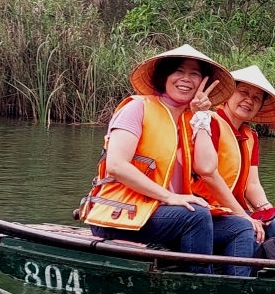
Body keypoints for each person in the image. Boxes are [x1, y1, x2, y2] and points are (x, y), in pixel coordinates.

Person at [79, 45, 255, 275]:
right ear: (165, 76)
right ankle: (199, 287)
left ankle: (235, 292)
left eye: (194, 74)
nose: (186, 80)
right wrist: (169, 197)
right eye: (179, 72)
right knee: (196, 215)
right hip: (121, 216)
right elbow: (116, 165)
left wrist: (202, 115)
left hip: (165, 216)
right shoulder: (137, 108)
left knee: (240, 227)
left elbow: (207, 167)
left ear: (203, 82)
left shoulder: (191, 120)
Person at [185, 65, 275, 259]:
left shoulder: (251, 137)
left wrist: (263, 207)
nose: (249, 100)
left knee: (270, 222)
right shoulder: (209, 122)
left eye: (256, 98)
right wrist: (244, 216)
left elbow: (252, 184)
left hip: (232, 209)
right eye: (244, 92)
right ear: (228, 95)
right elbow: (208, 176)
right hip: (206, 211)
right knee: (246, 228)